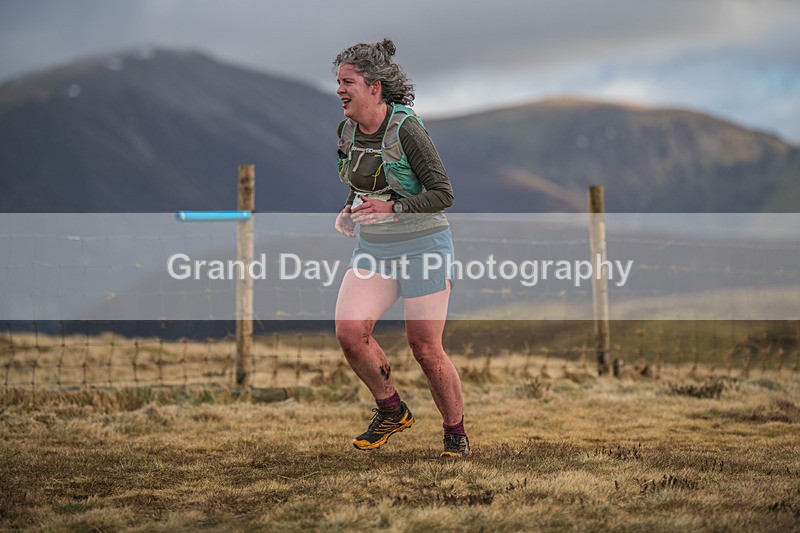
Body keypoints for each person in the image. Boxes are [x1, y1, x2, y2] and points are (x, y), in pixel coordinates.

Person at [332, 38, 470, 459]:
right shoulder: (346, 131)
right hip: (375, 248)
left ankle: (455, 435)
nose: (339, 90)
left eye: (347, 82)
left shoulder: (406, 129)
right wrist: (349, 210)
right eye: (338, 81)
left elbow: (443, 193)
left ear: (374, 87)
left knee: (425, 348)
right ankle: (392, 410)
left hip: (423, 245)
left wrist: (392, 209)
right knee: (350, 333)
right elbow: (362, 183)